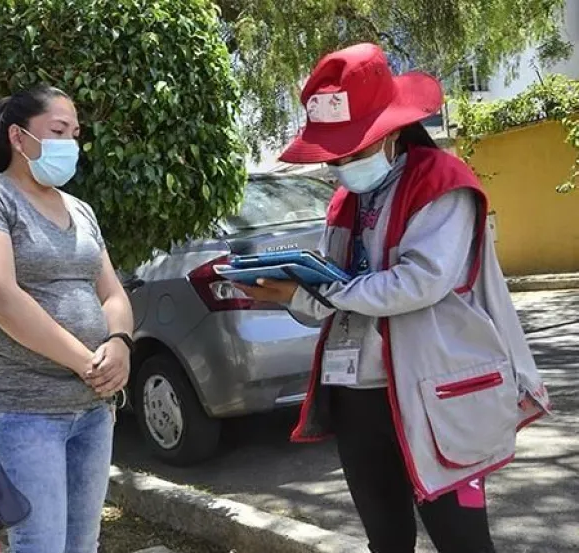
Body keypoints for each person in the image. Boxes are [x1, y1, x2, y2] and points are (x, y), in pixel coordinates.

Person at [236, 43, 551, 553]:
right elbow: (333, 293)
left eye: (353, 150)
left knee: (464, 540)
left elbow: (418, 282)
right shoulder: (345, 200)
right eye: (336, 154)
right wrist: (288, 294)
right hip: (358, 397)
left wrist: (327, 290)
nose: (343, 164)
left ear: (393, 130)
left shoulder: (442, 182)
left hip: (438, 395)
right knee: (386, 540)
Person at [0, 86, 133, 553]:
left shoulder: (81, 210)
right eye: (58, 131)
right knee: (41, 546)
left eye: (75, 133)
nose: (70, 143)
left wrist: (119, 344)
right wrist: (88, 363)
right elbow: (2, 300)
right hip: (24, 411)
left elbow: (111, 290)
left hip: (93, 409)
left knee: (83, 544)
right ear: (18, 136)